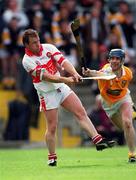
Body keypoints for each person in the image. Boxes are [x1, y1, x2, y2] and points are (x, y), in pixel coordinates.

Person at [21, 29, 115, 167]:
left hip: (61, 88)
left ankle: (98, 140)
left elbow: (64, 62)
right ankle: (52, 157)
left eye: (38, 41)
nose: (38, 45)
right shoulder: (27, 61)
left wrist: (75, 73)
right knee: (52, 127)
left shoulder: (48, 48)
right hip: (47, 93)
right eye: (34, 43)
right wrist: (67, 79)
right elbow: (47, 77)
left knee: (80, 112)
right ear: (27, 45)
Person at [82, 48, 136, 163]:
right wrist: (89, 72)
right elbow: (98, 73)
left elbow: (124, 87)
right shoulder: (106, 71)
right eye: (112, 58)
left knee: (127, 124)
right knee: (123, 128)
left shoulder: (128, 73)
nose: (114, 61)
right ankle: (135, 114)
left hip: (123, 99)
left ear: (122, 61)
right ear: (109, 60)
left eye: (117, 58)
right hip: (108, 104)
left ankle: (132, 155)